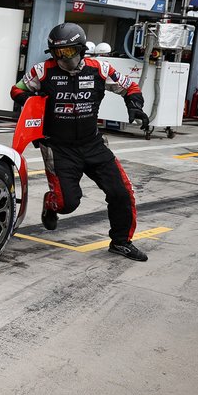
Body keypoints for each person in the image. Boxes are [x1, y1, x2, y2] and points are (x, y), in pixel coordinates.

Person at [11, 22, 151, 261]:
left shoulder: (100, 68)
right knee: (68, 204)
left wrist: (135, 105)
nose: (62, 58)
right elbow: (16, 90)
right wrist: (28, 99)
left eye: (67, 52)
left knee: (121, 193)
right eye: (57, 53)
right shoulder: (41, 71)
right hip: (58, 147)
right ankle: (51, 203)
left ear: (81, 49)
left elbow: (130, 87)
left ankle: (121, 242)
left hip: (93, 144)